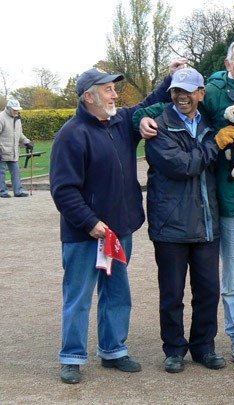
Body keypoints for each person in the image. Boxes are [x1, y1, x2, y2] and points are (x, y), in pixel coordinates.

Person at [135, 38, 234, 366]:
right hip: (231, 199)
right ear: (228, 64)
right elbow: (166, 105)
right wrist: (141, 119)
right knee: (230, 278)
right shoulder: (214, 92)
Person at [49, 61, 185, 384]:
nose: (114, 95)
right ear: (88, 98)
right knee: (79, 295)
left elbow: (151, 101)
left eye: (113, 89)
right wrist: (90, 222)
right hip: (86, 234)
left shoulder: (122, 120)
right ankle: (72, 355)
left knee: (116, 292)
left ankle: (113, 350)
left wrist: (171, 76)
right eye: (108, 90)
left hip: (119, 231)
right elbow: (63, 190)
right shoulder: (71, 134)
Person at [145, 67, 234, 373]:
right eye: (176, 91)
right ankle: (173, 349)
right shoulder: (159, 127)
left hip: (207, 222)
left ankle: (203, 347)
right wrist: (216, 144)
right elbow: (184, 165)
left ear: (201, 93)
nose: (181, 96)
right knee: (172, 293)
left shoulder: (211, 123)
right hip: (170, 225)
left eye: (187, 91)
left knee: (208, 290)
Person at [0, 99, 33, 198]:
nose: (16, 112)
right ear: (9, 108)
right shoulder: (1, 117)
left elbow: (19, 134)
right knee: (1, 172)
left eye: (17, 110)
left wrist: (27, 142)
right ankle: (2, 192)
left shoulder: (17, 119)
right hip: (1, 151)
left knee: (16, 171)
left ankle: (18, 191)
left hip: (13, 151)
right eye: (14, 110)